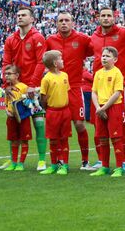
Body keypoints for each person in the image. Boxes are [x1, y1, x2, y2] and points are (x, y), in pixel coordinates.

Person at [1, 7, 47, 171]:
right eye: (18, 15)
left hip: (32, 89)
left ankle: (42, 159)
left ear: (32, 19)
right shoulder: (10, 40)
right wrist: (8, 85)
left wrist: (32, 85)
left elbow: (41, 63)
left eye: (23, 15)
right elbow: (6, 63)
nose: (20, 17)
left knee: (38, 122)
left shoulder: (38, 38)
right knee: (13, 123)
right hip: (15, 89)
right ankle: (13, 160)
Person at [46, 12, 93, 170]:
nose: (64, 23)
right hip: (57, 89)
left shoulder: (83, 39)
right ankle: (59, 161)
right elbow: (43, 61)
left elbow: (96, 51)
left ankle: (85, 161)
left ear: (73, 23)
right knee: (58, 127)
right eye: (61, 21)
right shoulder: (50, 40)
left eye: (67, 20)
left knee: (79, 124)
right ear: (57, 24)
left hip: (74, 87)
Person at [90, 7, 125, 170]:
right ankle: (103, 163)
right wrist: (98, 107)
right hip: (100, 94)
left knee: (119, 131)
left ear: (114, 18)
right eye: (103, 15)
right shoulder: (93, 37)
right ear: (98, 17)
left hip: (114, 97)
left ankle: (120, 163)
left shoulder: (124, 33)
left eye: (109, 15)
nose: (106, 18)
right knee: (100, 133)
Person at [90, 47, 125, 177]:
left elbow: (117, 93)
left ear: (115, 59)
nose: (104, 58)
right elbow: (94, 92)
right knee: (103, 138)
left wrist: (103, 108)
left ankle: (119, 167)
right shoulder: (98, 73)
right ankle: (104, 166)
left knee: (116, 138)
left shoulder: (117, 73)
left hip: (113, 107)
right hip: (100, 108)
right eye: (103, 55)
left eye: (107, 56)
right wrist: (98, 108)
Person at [39, 50, 72, 175]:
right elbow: (43, 98)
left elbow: (66, 92)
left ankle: (64, 165)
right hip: (52, 112)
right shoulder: (46, 78)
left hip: (65, 111)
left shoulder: (65, 75)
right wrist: (47, 109)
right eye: (61, 59)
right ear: (55, 63)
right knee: (53, 139)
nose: (63, 61)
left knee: (64, 138)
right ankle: (53, 164)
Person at [1, 65, 31, 172]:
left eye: (9, 74)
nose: (7, 76)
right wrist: (7, 111)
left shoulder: (23, 87)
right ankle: (13, 163)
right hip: (11, 118)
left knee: (24, 140)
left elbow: (29, 102)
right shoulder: (7, 89)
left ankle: (21, 163)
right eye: (5, 74)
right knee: (13, 140)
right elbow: (6, 103)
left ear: (17, 75)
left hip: (23, 118)